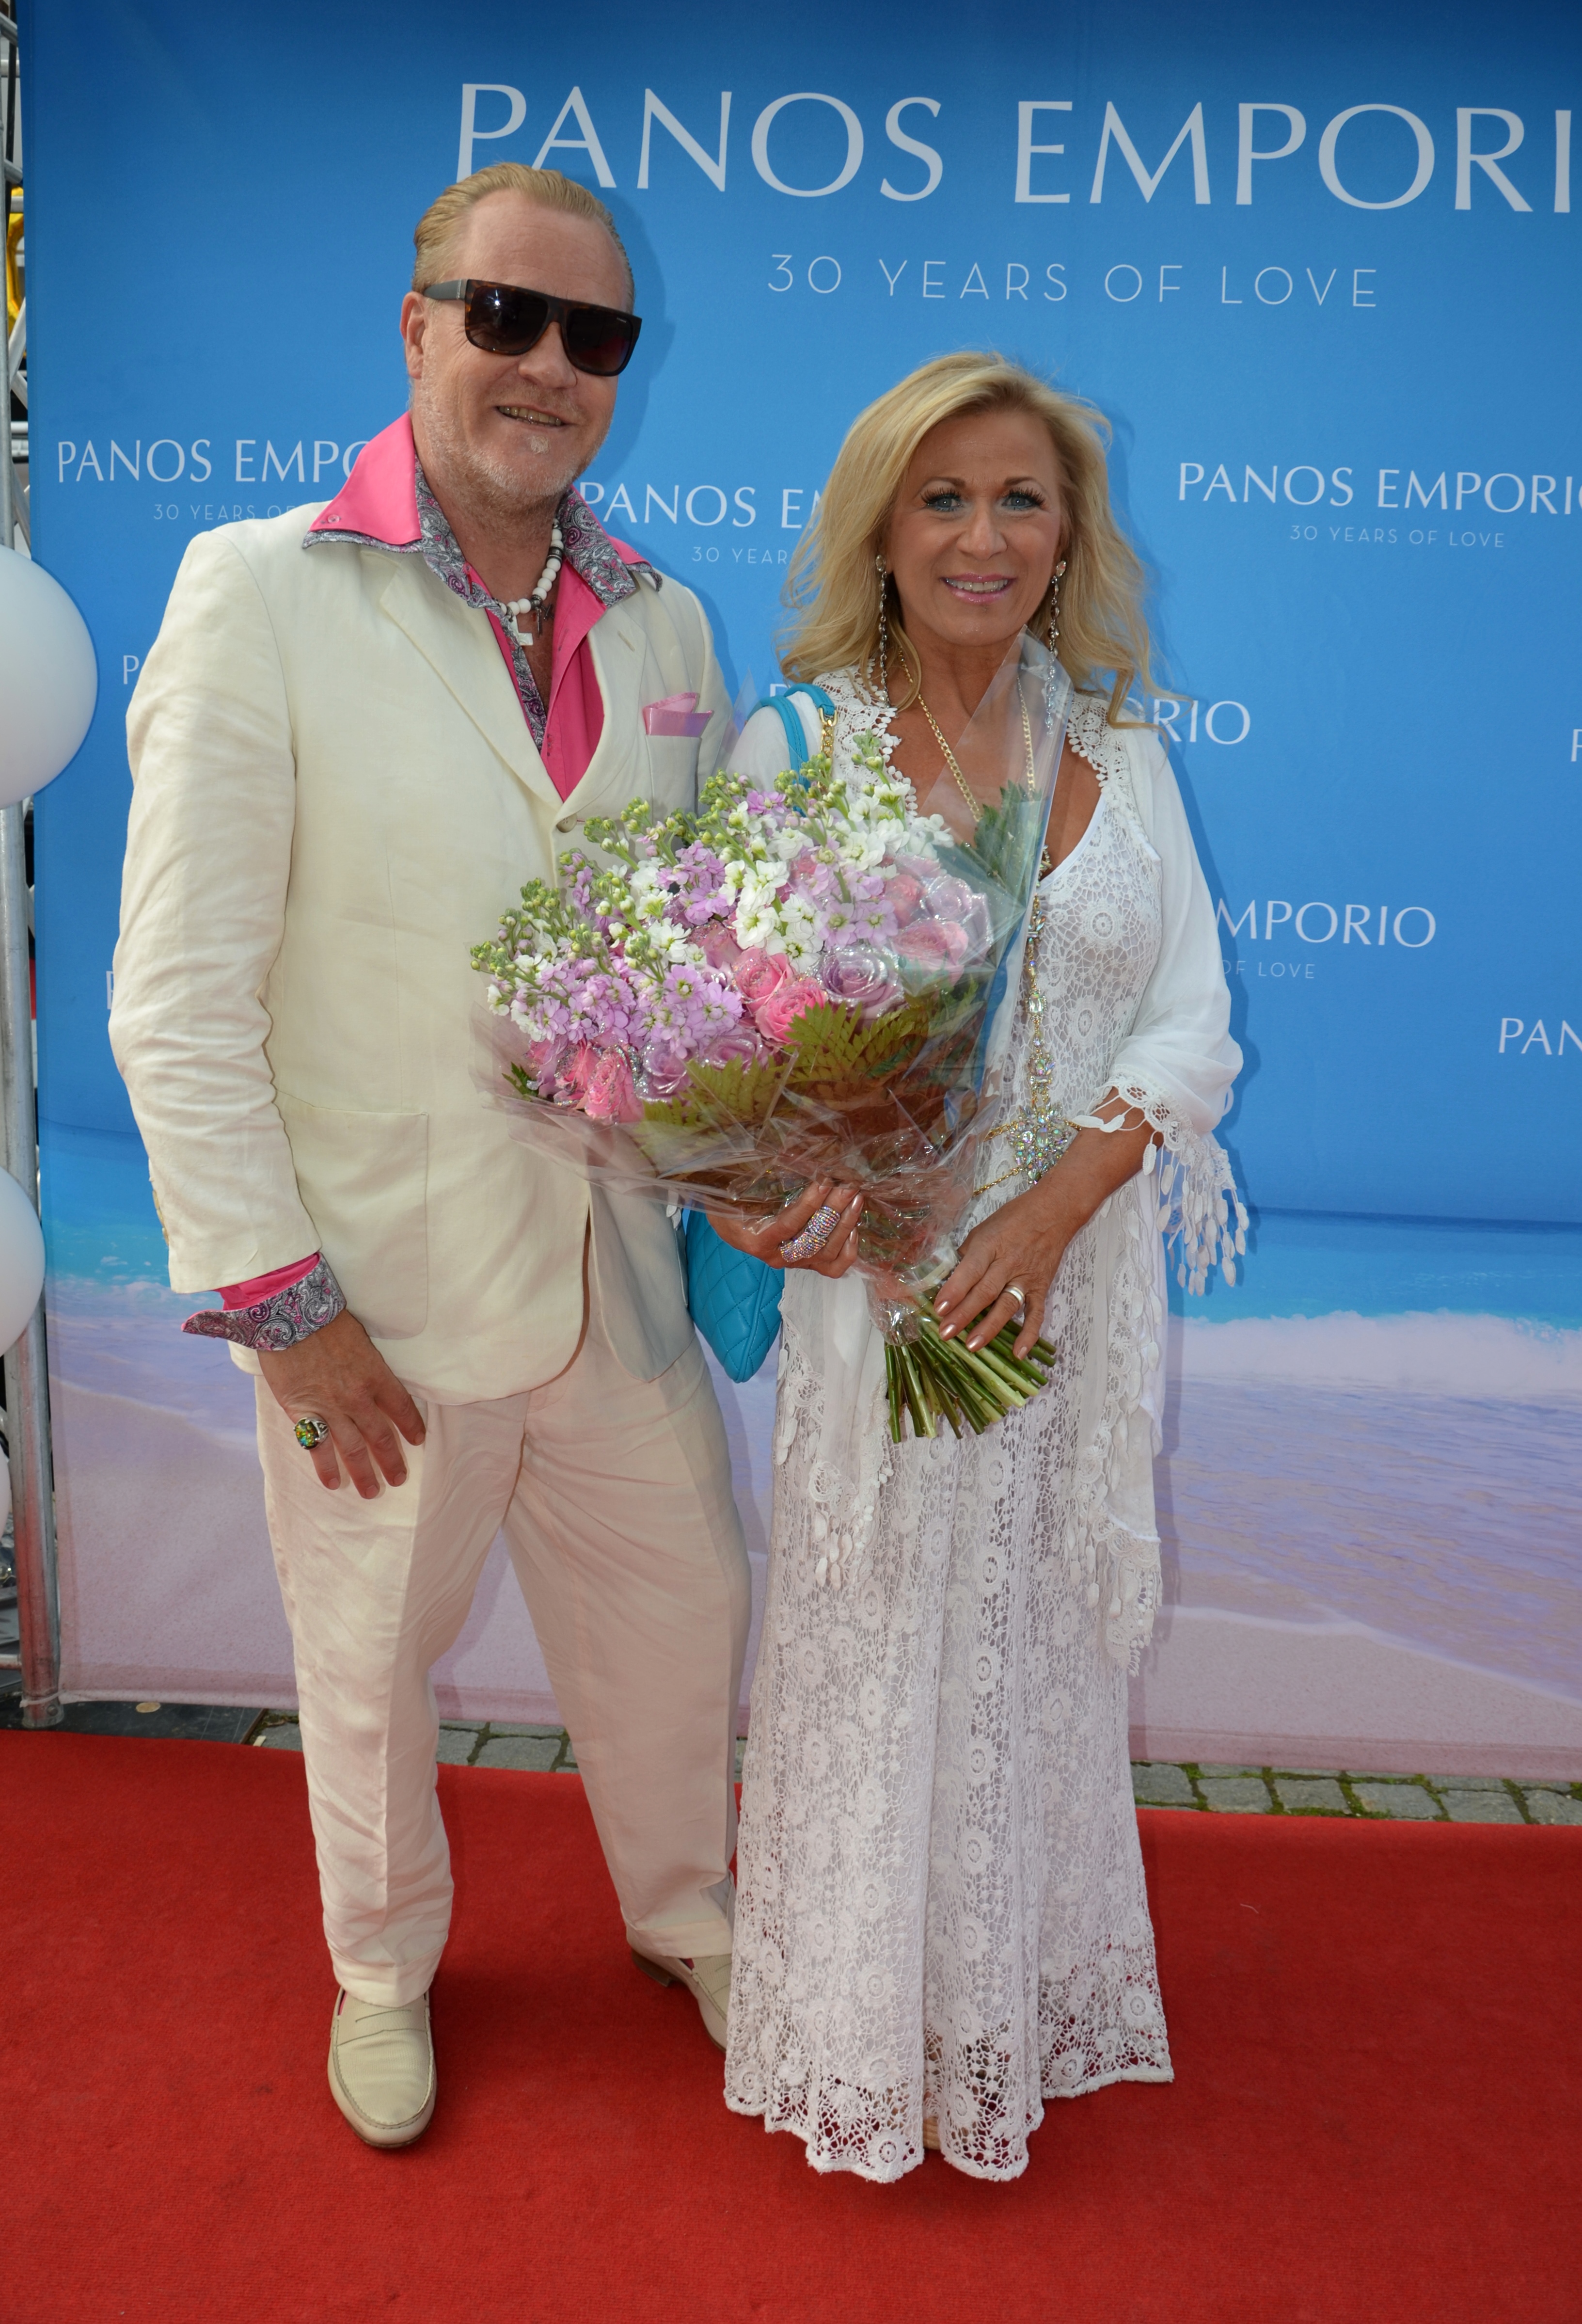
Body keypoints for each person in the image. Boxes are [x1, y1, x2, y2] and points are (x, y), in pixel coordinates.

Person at [110, 163, 827, 2149]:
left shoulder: (668, 619)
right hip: (378, 1300)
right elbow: (177, 999)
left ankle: (686, 1909)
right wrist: (286, 1308)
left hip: (614, 1274)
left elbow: (698, 968)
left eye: (595, 334)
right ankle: (381, 1969)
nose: (548, 365)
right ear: (416, 325)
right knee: (366, 1667)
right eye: (507, 316)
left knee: (683, 1612)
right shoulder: (257, 588)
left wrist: (765, 1147)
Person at [714, 352, 1245, 2182]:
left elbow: (1190, 1027)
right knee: (875, 1640)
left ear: (1069, 535)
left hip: (1065, 1292)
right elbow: (730, 1044)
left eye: (1022, 497)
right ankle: (862, 2023)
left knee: (1032, 1645)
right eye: (942, 497)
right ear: (880, 529)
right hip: (878, 1306)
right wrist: (813, 1191)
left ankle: (1004, 1997)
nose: (983, 534)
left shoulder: (1128, 756)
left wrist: (1053, 1209)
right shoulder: (798, 751)